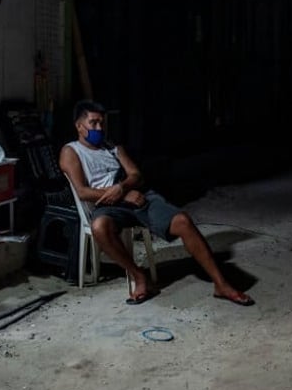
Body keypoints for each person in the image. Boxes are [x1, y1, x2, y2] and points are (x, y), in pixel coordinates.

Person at [58, 100, 254, 306]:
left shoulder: (112, 146)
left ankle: (221, 284)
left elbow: (136, 175)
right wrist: (120, 195)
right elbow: (82, 191)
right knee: (100, 227)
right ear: (79, 126)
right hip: (106, 203)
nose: (99, 128)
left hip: (137, 195)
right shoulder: (71, 152)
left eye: (102, 123)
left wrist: (123, 188)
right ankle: (139, 277)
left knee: (182, 221)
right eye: (94, 123)